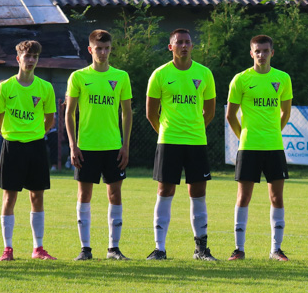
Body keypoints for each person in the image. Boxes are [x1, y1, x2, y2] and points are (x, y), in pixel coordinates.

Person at [145, 28, 216, 260]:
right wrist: (165, 131)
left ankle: (201, 249)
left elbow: (210, 111)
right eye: (179, 42)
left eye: (188, 42)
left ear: (192, 46)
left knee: (198, 193)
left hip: (196, 142)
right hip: (169, 142)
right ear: (170, 47)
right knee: (165, 191)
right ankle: (159, 248)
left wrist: (194, 129)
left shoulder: (204, 73)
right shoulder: (159, 74)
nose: (184, 46)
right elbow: (150, 113)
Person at [66, 29, 133, 260]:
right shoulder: (78, 77)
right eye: (99, 49)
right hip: (86, 147)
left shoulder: (121, 76)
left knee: (115, 194)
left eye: (106, 48)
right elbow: (69, 113)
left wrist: (125, 145)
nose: (103, 53)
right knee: (84, 195)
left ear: (110, 49)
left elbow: (127, 113)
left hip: (113, 146)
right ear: (90, 49)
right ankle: (85, 249)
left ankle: (113, 249)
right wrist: (73, 145)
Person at [226, 35, 293, 261]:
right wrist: (243, 135)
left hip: (274, 147)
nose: (261, 55)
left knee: (277, 198)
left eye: (265, 51)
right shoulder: (241, 79)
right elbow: (230, 115)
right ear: (251, 53)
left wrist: (275, 131)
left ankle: (276, 249)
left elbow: (286, 112)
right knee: (243, 197)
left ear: (272, 53)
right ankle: (239, 249)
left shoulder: (282, 78)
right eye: (258, 51)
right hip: (249, 147)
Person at [0, 41, 57, 261]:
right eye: (27, 56)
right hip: (12, 146)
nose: (30, 61)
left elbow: (50, 119)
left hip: (36, 146)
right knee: (9, 197)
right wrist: (13, 135)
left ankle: (38, 248)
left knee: (37, 196)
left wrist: (36, 133)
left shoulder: (45, 88)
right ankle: (7, 248)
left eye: (34, 57)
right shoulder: (5, 87)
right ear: (18, 58)